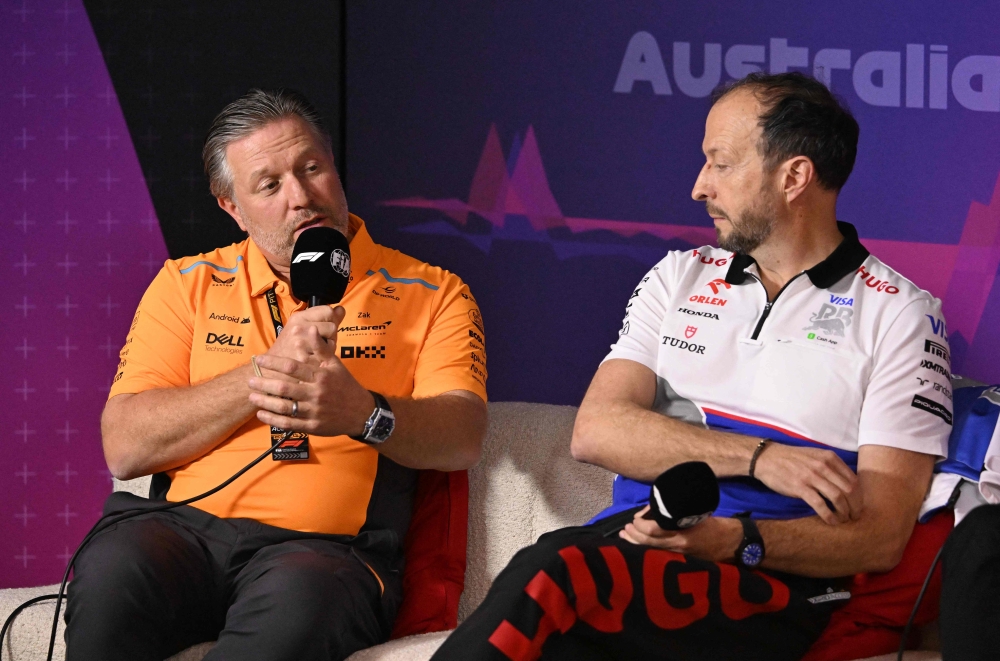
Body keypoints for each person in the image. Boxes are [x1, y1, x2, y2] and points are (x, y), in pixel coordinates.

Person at [431, 72, 953, 660]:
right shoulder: (678, 276)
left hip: (777, 580)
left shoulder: (900, 314)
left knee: (553, 570)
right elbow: (595, 430)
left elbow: (881, 538)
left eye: (720, 164)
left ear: (794, 177)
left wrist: (733, 540)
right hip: (636, 543)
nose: (698, 187)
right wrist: (762, 458)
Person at [65, 89, 488, 661]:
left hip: (321, 553)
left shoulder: (434, 291)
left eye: (312, 168)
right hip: (183, 534)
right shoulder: (185, 284)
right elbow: (125, 446)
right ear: (231, 207)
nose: (302, 197)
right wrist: (261, 375)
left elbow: (462, 436)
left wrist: (364, 414)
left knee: (304, 602)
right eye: (269, 184)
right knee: (114, 566)